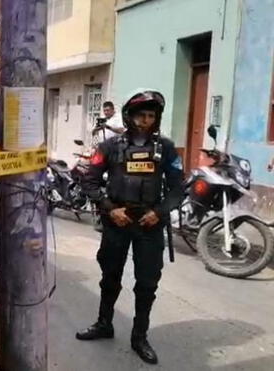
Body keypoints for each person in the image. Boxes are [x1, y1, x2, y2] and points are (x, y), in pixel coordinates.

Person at [77, 90, 184, 365]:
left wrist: (159, 212)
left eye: (151, 116)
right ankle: (104, 324)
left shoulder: (167, 149)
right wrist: (110, 209)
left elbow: (177, 189)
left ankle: (139, 337)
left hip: (149, 223)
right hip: (117, 221)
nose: (146, 121)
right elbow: (89, 180)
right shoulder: (109, 147)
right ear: (129, 116)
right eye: (141, 115)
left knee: (147, 283)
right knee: (109, 276)